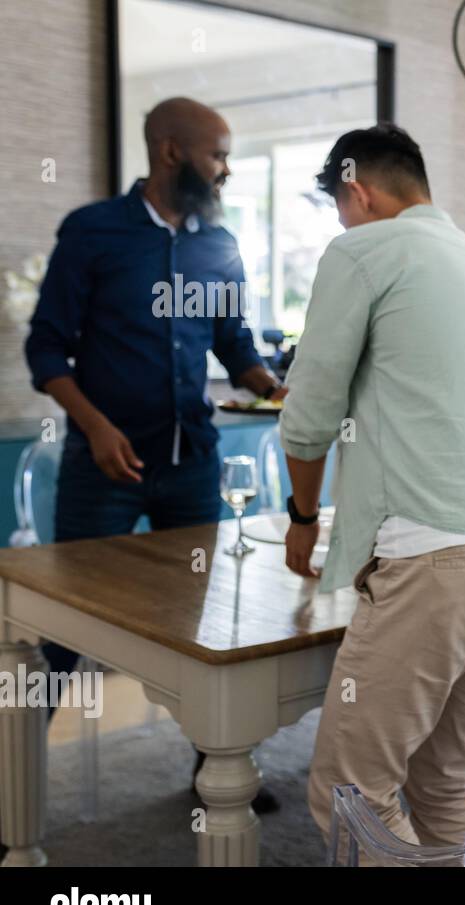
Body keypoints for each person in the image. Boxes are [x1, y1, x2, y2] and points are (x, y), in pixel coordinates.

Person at [281, 124, 465, 849]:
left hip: (442, 554)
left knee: (349, 790)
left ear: (357, 190)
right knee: (445, 776)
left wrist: (302, 516)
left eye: (340, 209)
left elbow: (310, 414)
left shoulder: (361, 248)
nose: (342, 224)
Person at [23, 96, 285, 810]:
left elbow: (234, 345)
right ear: (171, 152)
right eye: (219, 154)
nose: (227, 170)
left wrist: (270, 383)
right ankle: (10, 783)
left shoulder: (217, 244)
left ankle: (216, 769)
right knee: (63, 631)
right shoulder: (92, 232)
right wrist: (96, 426)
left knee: (203, 622)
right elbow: (45, 346)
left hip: (192, 463)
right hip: (102, 466)